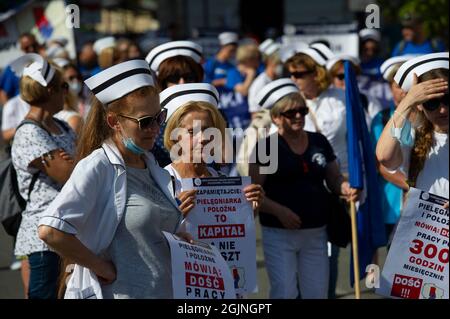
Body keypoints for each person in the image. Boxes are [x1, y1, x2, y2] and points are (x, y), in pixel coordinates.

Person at [37, 59, 190, 299]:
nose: (155, 128)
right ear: (114, 122)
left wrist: (178, 239)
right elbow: (51, 230)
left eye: (159, 118)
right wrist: (99, 266)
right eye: (145, 121)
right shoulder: (99, 165)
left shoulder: (153, 166)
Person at [248, 80, 358, 299]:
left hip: (317, 232)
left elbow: (333, 177)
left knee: (316, 293)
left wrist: (344, 187)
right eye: (291, 113)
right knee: (285, 292)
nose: (298, 116)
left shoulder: (319, 141)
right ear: (277, 117)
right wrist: (280, 211)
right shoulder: (267, 147)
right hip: (279, 234)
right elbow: (254, 193)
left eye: (302, 110)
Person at [10, 53, 77, 299]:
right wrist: (73, 163)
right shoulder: (29, 133)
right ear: (49, 90)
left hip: (70, 232)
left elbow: (82, 165)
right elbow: (68, 174)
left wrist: (73, 162)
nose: (67, 91)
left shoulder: (63, 126)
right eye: (64, 86)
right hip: (44, 237)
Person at [376, 52, 448, 202]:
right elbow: (384, 157)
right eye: (432, 103)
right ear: (420, 105)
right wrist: (407, 101)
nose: (443, 110)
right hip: (426, 224)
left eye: (448, 100)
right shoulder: (413, 135)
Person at [371, 56, 413, 242]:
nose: (403, 91)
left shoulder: (431, 114)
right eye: (398, 86)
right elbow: (380, 162)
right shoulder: (381, 118)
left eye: (408, 85)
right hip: (392, 203)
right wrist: (410, 186)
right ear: (390, 88)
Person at [145, 40, 204, 167]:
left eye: (188, 77)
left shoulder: (216, 114)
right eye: (173, 78)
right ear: (162, 82)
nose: (182, 83)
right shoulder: (152, 119)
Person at [326, 54, 382, 128]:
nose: (346, 80)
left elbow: (378, 129)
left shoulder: (368, 100)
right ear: (332, 79)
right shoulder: (325, 102)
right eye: (341, 76)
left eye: (351, 75)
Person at [0, 33, 41, 105]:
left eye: (33, 45)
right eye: (27, 47)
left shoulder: (45, 63)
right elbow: (3, 94)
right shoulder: (13, 68)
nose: (31, 49)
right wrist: (10, 112)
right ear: (21, 48)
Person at [248, 40, 283, 116]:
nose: (281, 65)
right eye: (278, 62)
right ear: (270, 61)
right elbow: (255, 114)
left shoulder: (279, 79)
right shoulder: (260, 83)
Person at [53, 61, 84, 134]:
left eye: (78, 77)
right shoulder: (72, 117)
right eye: (71, 78)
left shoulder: (90, 98)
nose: (76, 81)